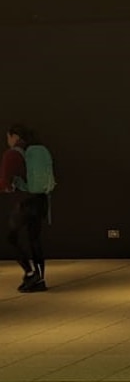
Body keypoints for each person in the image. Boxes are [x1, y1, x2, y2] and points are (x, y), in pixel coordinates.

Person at [1, 124, 50, 293]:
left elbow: (5, 182)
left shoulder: (12, 154)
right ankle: (40, 278)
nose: (7, 141)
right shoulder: (34, 151)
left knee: (11, 238)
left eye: (8, 137)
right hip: (41, 201)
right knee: (34, 239)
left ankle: (29, 272)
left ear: (14, 136)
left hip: (25, 202)